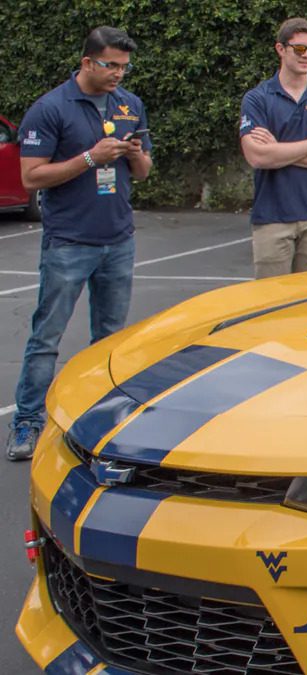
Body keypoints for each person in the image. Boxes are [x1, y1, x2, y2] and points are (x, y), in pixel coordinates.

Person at [6, 26, 152, 461]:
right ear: (87, 62)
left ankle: (101, 422)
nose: (118, 75)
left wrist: (133, 155)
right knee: (47, 337)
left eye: (124, 67)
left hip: (118, 239)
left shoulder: (130, 105)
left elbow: (143, 172)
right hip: (69, 242)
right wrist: (92, 158)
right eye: (111, 65)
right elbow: (31, 177)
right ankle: (27, 422)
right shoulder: (50, 108)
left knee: (110, 340)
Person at [240, 17, 307, 278]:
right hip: (272, 216)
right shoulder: (257, 98)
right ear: (281, 49)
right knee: (272, 303)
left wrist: (278, 151)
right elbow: (257, 156)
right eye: (299, 49)